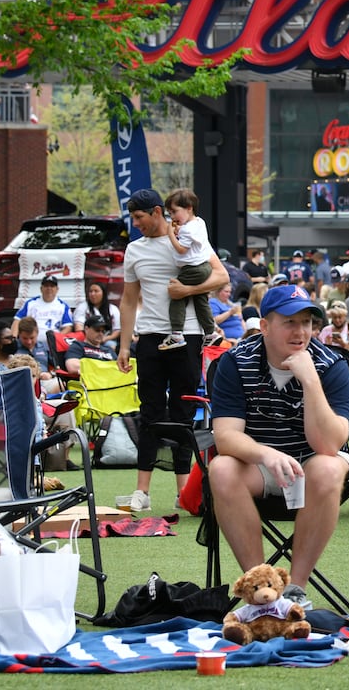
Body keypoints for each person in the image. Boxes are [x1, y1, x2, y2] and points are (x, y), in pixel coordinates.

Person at [208, 284, 349, 607]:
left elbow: (329, 444)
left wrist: (310, 381)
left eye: (306, 322)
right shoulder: (235, 362)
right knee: (221, 468)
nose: (300, 331)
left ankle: (294, 591)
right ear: (264, 326)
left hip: (314, 463)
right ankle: (262, 587)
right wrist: (266, 454)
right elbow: (225, 436)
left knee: (329, 467)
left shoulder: (331, 365)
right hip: (259, 466)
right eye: (289, 322)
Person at [118, 188, 231, 516]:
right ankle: (143, 490)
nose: (135, 223)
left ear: (156, 212)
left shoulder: (187, 236)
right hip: (150, 337)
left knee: (183, 411)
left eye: (138, 217)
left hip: (189, 335)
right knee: (149, 408)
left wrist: (189, 289)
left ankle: (184, 492)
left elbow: (221, 276)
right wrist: (125, 345)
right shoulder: (134, 250)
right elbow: (128, 300)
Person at [162, 188, 217, 351]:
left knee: (177, 294)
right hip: (204, 267)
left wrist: (170, 234)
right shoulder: (199, 222)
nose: (172, 217)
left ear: (189, 208)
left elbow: (181, 249)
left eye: (174, 212)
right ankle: (210, 333)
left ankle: (177, 333)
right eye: (170, 213)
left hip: (192, 269)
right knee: (200, 300)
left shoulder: (186, 229)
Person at [16, 274, 73, 363]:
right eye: (46, 286)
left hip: (51, 345)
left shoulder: (63, 306)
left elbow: (68, 327)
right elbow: (17, 321)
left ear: (57, 289)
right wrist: (12, 340)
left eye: (52, 286)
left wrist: (54, 340)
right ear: (41, 288)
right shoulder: (31, 303)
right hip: (28, 343)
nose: (49, 288)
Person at [76, 279, 121, 351]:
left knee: (112, 346)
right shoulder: (82, 307)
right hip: (87, 340)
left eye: (96, 291)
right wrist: (92, 339)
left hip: (106, 340)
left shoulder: (113, 309)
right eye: (91, 291)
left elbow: (117, 330)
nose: (93, 294)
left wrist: (105, 339)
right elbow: (78, 327)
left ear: (103, 293)